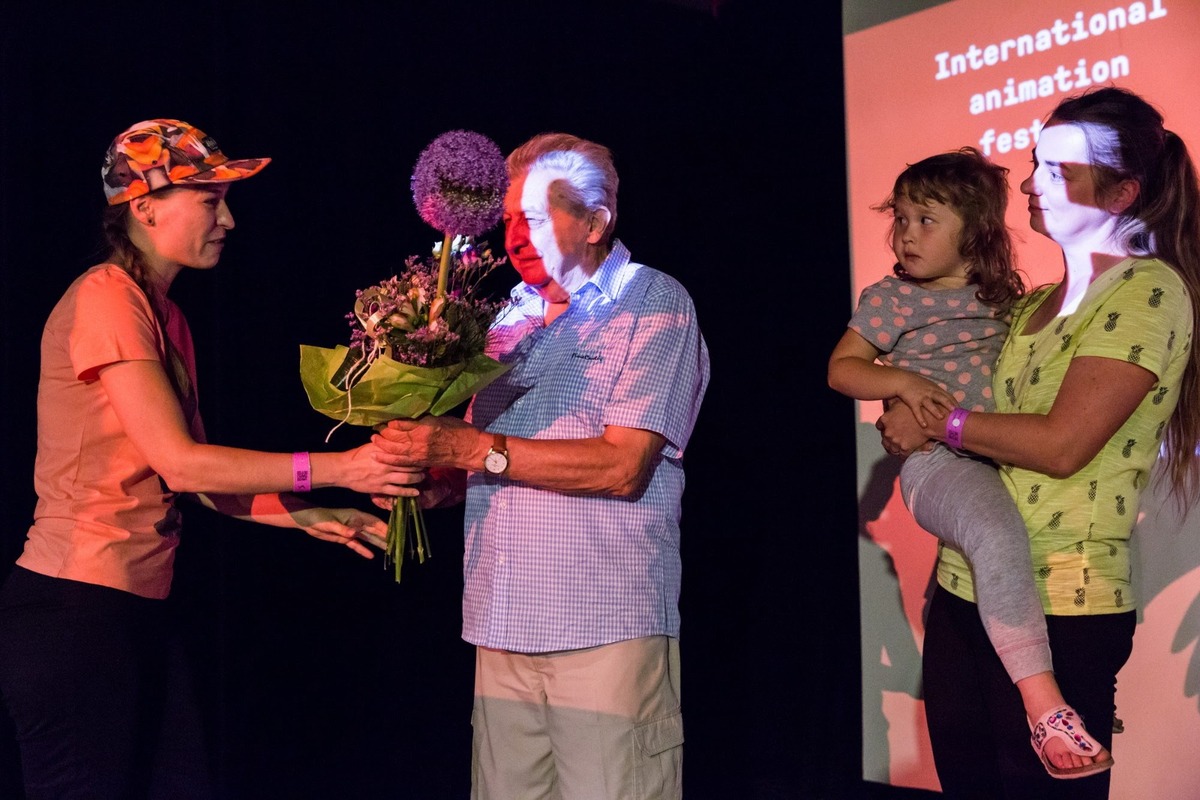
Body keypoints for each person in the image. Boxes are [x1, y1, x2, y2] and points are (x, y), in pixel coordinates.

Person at [0, 119, 421, 799]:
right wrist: (343, 467)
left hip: (133, 611)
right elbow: (185, 465)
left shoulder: (164, 314)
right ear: (144, 207)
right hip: (74, 612)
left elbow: (198, 486)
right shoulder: (107, 297)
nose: (228, 219)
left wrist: (309, 514)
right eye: (209, 199)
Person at [877, 86, 1200, 799]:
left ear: (1122, 195)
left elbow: (1061, 446)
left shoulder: (1148, 292)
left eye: (1059, 170)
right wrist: (906, 401)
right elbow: (945, 400)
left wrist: (935, 420)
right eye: (1034, 163)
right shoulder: (1025, 303)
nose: (1030, 183)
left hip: (1069, 603)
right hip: (966, 589)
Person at [372, 132, 710, 798]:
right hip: (500, 624)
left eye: (535, 213)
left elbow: (623, 465)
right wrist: (426, 481)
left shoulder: (651, 301)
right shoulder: (505, 320)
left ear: (595, 219)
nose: (516, 233)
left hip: (604, 630)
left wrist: (467, 450)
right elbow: (488, 466)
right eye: (507, 219)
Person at [828, 147, 1112, 779]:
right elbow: (841, 370)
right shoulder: (893, 298)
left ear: (976, 232)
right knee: (994, 532)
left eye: (926, 219)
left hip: (995, 455)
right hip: (939, 464)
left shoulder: (1006, 300)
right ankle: (1045, 708)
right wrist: (900, 384)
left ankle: (1058, 683)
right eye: (899, 218)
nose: (905, 232)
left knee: (1030, 545)